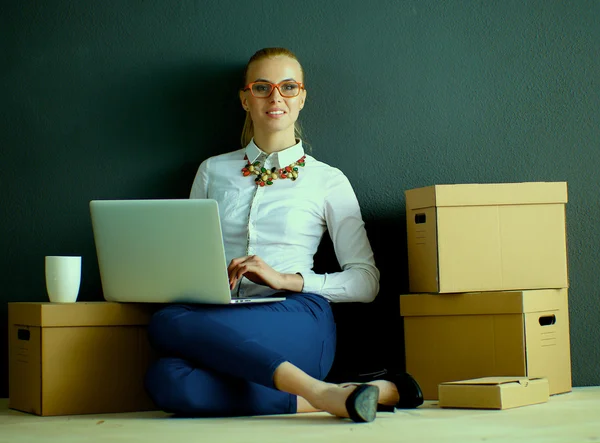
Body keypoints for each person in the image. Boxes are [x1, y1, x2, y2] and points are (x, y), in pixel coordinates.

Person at [143, 47, 422, 423]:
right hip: (219, 317)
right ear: (245, 98)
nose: (276, 97)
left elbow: (366, 282)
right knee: (166, 379)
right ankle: (333, 396)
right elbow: (189, 259)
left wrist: (284, 279)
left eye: (288, 87)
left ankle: (315, 389)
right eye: (262, 87)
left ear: (302, 97)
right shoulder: (212, 171)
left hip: (298, 318)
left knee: (166, 323)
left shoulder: (328, 180)